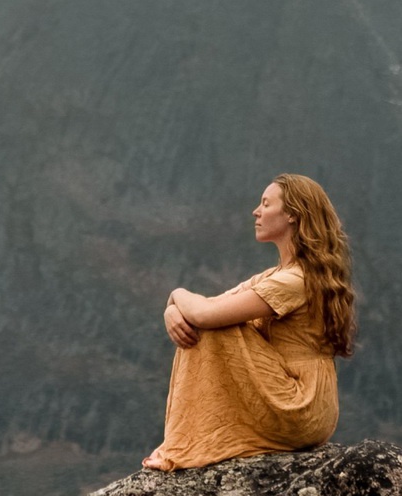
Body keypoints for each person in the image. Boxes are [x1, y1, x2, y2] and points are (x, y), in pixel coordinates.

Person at [144, 173, 359, 471]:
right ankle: (185, 440)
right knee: (215, 324)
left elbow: (205, 315)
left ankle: (184, 442)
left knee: (218, 329)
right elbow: (209, 306)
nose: (256, 212)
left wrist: (176, 294)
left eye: (266, 204)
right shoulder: (275, 277)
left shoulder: (294, 281)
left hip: (300, 404)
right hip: (297, 396)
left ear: (293, 215)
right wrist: (172, 309)